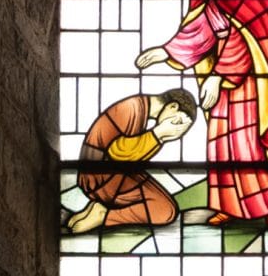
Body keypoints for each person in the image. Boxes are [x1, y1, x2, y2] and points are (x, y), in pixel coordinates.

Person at [135, 0, 268, 226]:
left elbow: (248, 35)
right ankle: (230, 206)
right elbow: (200, 28)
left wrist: (219, 77)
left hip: (247, 77)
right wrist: (166, 51)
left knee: (245, 142)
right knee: (220, 140)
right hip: (220, 72)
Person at [63, 88, 199, 236]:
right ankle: (104, 215)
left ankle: (98, 207)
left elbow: (134, 157)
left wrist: (161, 137)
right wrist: (158, 133)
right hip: (101, 178)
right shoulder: (132, 109)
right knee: (165, 210)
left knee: (166, 207)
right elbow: (118, 152)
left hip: (107, 175)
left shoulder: (138, 107)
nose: (176, 129)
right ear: (173, 106)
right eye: (177, 121)